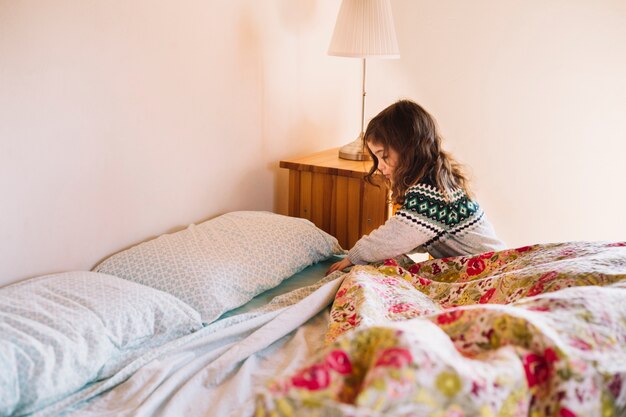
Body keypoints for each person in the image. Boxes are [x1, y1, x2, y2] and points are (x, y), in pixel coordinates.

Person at [327, 99, 505, 275]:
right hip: (489, 262)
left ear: (407, 149)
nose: (380, 166)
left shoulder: (431, 193)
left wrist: (354, 256)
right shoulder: (438, 180)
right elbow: (412, 238)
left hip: (492, 269)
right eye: (377, 159)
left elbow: (394, 237)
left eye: (384, 156)